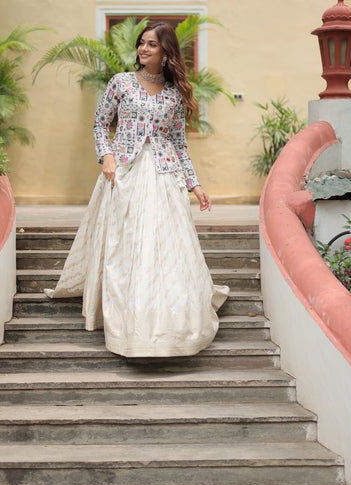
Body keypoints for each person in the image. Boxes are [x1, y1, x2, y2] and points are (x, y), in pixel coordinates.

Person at [44, 22, 229, 357]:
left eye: (152, 45)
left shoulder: (174, 94)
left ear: (166, 52)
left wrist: (195, 184)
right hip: (124, 174)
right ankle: (126, 321)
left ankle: (163, 322)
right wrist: (107, 157)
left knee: (163, 247)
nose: (144, 49)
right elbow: (101, 123)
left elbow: (179, 144)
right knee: (126, 246)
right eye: (142, 44)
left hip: (164, 177)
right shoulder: (122, 83)